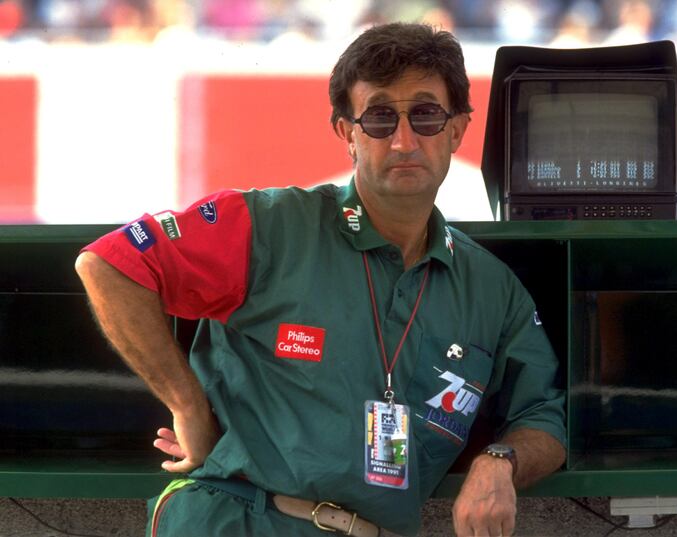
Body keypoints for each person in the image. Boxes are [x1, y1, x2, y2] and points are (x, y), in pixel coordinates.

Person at [75, 22, 566, 537]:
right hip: (236, 518)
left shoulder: (492, 287)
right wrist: (187, 404)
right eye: (378, 117)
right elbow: (110, 264)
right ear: (346, 133)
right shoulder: (270, 224)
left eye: (425, 114)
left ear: (458, 128)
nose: (403, 140)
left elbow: (545, 418)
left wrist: (500, 461)